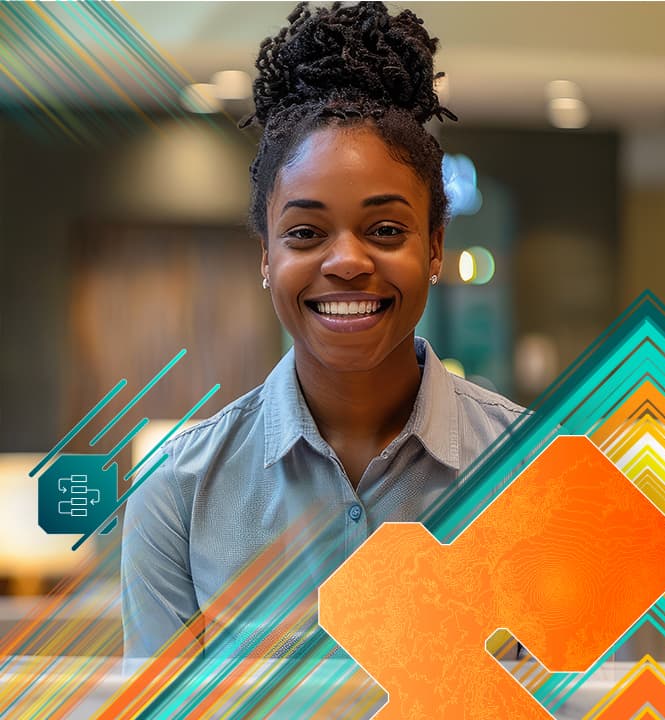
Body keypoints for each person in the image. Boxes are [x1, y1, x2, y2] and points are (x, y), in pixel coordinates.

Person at [121, 1, 525, 658]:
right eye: (305, 233)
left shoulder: (535, 472)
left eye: (386, 231)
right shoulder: (176, 490)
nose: (346, 261)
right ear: (266, 257)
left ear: (434, 247)